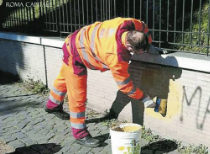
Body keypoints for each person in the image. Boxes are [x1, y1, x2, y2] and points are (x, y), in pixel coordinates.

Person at [45, 17, 159, 147]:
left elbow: (143, 27)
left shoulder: (129, 23)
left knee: (63, 79)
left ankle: (52, 106)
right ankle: (80, 133)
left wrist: (148, 44)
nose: (136, 54)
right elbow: (125, 85)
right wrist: (144, 98)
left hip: (76, 38)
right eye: (136, 52)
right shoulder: (116, 56)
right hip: (74, 53)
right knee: (78, 95)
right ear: (128, 46)